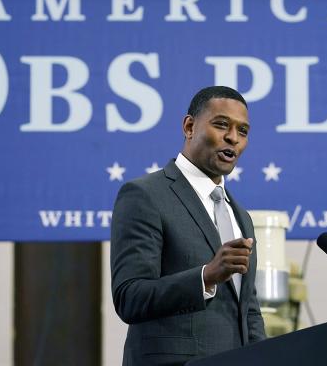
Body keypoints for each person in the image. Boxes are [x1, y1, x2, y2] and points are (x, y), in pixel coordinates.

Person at [110, 86, 266, 366]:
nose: (233, 138)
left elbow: (248, 309)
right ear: (189, 126)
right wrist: (206, 276)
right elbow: (129, 297)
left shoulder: (240, 215)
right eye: (221, 125)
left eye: (243, 132)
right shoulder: (145, 195)